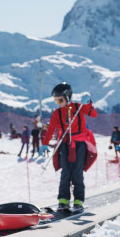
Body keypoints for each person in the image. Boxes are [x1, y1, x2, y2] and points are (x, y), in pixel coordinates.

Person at [41, 82, 97, 213]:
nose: (58, 103)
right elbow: (50, 129)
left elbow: (93, 114)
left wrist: (88, 102)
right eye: (56, 101)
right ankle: (63, 200)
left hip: (79, 143)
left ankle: (78, 200)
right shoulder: (57, 113)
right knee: (65, 171)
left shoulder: (79, 106)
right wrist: (45, 143)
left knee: (77, 171)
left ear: (68, 97)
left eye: (60, 100)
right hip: (65, 143)